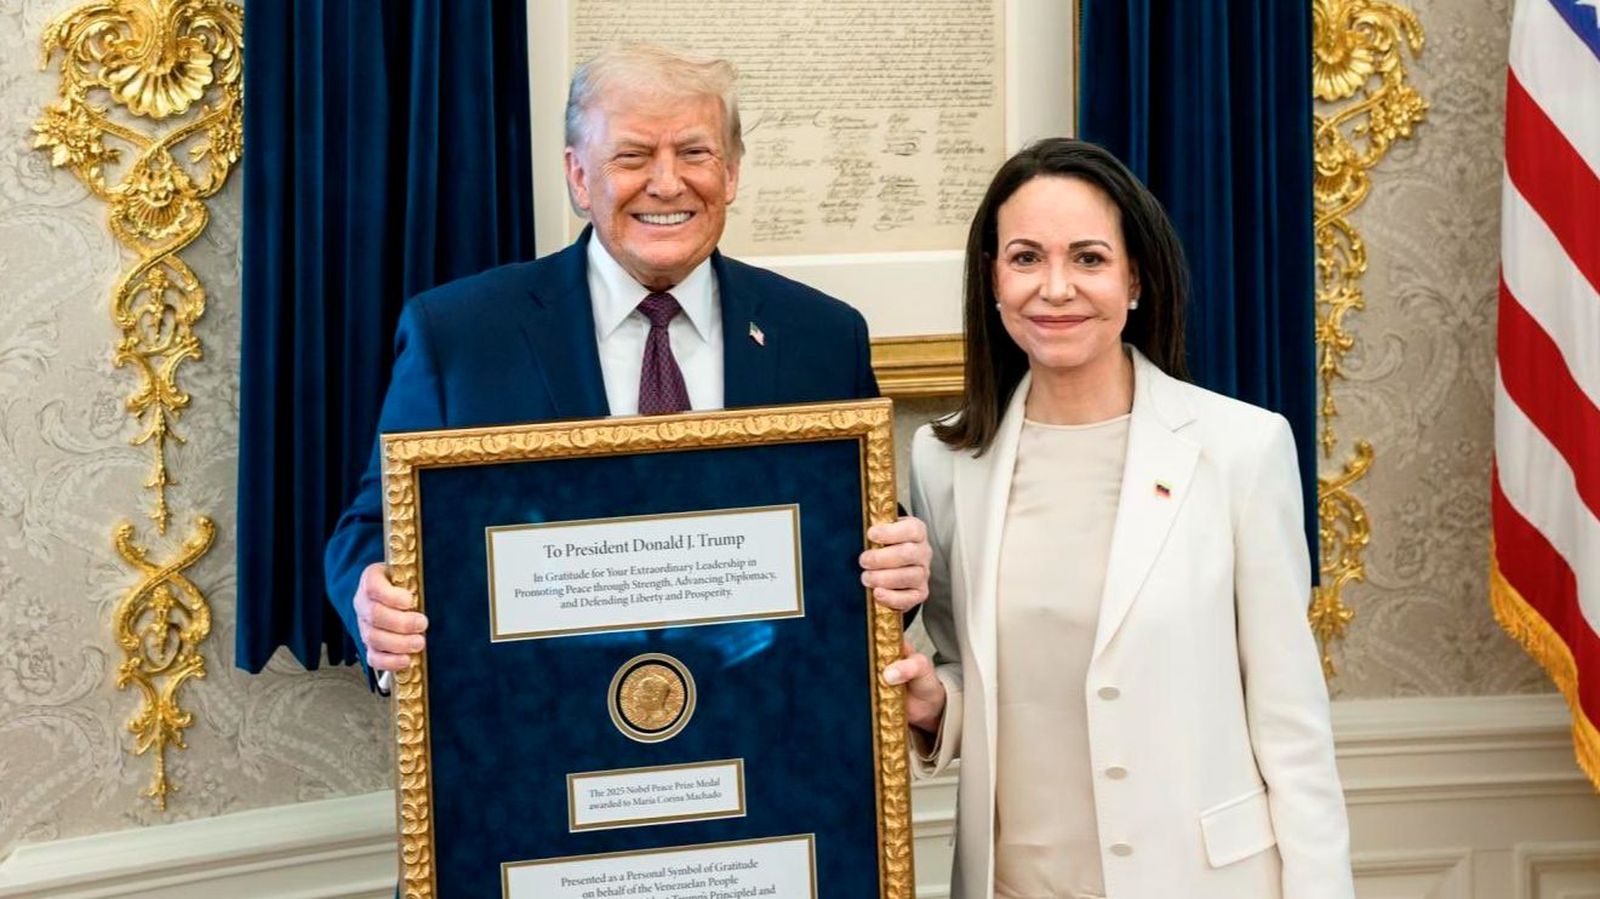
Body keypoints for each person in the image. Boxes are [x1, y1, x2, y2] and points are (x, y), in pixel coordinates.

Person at [324, 45, 930, 681]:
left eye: (694, 153)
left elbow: (857, 538)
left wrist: (899, 567)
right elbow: (373, 527)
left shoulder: (822, 337)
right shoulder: (459, 336)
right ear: (580, 177)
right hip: (538, 726)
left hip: (763, 724)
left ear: (732, 173)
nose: (667, 184)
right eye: (633, 156)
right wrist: (374, 600)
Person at [882, 139, 1354, 899]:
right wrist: (938, 707)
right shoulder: (945, 461)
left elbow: (1291, 724)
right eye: (1027, 258)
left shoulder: (1241, 448)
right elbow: (975, 671)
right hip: (1015, 881)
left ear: (1135, 278)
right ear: (993, 280)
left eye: (1090, 259)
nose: (1056, 288)